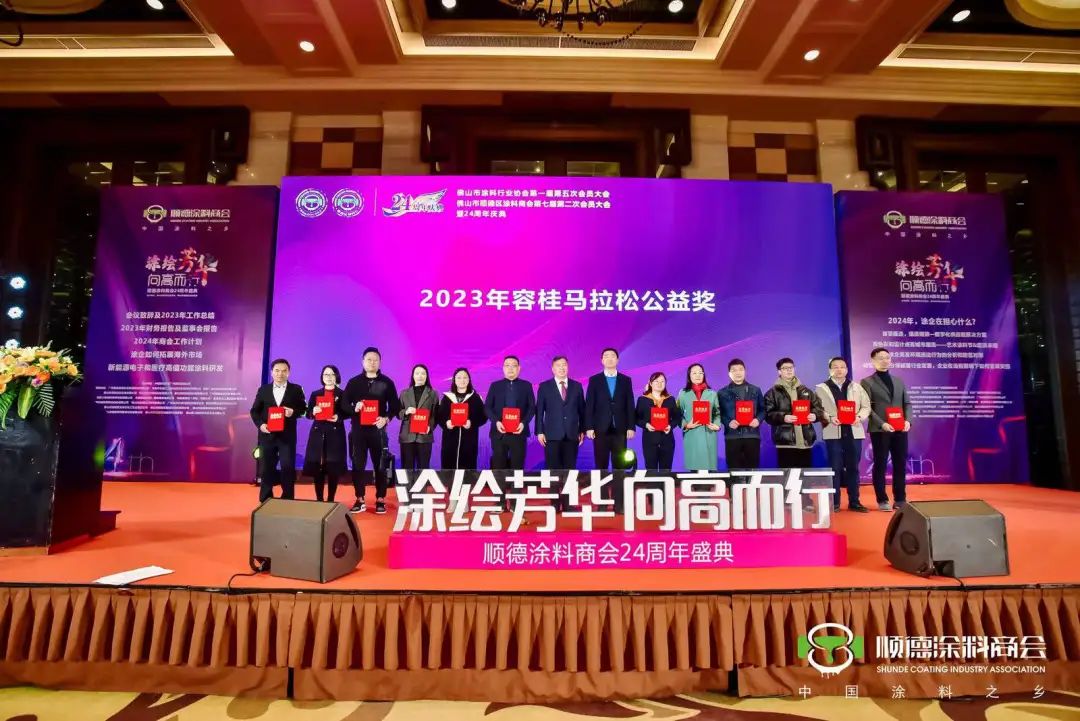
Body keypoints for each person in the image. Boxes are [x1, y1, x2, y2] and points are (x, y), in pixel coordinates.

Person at [343, 347, 401, 515]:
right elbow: (344, 404)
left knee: (380, 465)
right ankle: (360, 498)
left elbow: (395, 406)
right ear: (363, 362)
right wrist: (354, 407)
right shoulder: (353, 382)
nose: (372, 362)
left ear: (380, 362)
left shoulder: (387, 382)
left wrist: (386, 419)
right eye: (369, 359)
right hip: (358, 431)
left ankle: (380, 499)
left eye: (375, 360)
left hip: (378, 431)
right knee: (357, 465)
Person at [815, 357, 871, 513]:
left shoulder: (857, 387)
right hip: (833, 432)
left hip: (853, 431)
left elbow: (866, 406)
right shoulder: (821, 388)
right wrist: (829, 418)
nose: (839, 370)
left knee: (853, 468)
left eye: (842, 367)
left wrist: (859, 417)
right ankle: (834, 503)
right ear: (830, 370)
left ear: (846, 369)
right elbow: (817, 409)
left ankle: (854, 501)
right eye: (835, 367)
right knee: (835, 468)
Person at [861, 347, 913, 511]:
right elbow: (867, 408)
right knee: (880, 464)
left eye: (887, 358)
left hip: (900, 429)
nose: (885, 361)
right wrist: (882, 423)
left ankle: (900, 499)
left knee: (900, 463)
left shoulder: (898, 381)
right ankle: (882, 499)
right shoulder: (866, 382)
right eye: (881, 358)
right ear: (873, 361)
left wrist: (908, 421)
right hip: (880, 430)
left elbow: (907, 403)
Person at [249, 358, 307, 502]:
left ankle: (287, 499)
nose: (280, 374)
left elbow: (304, 410)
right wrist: (261, 425)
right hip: (267, 436)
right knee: (266, 468)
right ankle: (265, 499)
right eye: (277, 370)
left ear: (289, 372)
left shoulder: (296, 389)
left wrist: (293, 412)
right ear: (272, 372)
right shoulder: (263, 390)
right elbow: (254, 411)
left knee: (287, 467)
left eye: (284, 371)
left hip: (287, 437)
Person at [764, 357, 823, 469]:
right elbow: (768, 415)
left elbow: (819, 409)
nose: (789, 370)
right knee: (788, 476)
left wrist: (815, 415)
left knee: (804, 476)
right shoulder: (772, 393)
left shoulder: (805, 391)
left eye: (791, 367)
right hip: (785, 443)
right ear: (779, 371)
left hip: (805, 442)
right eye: (785, 368)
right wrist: (783, 417)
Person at [584, 347, 636, 472]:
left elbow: (630, 404)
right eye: (606, 356)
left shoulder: (626, 380)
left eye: (612, 356)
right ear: (602, 360)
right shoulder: (594, 380)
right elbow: (589, 405)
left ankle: (618, 486)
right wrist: (589, 427)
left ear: (617, 360)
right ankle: (602, 486)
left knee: (619, 465)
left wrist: (631, 427)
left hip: (620, 428)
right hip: (600, 428)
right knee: (601, 464)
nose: (609, 359)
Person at [302, 365, 348, 503]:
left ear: (336, 376)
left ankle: (331, 499)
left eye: (332, 374)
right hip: (318, 433)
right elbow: (308, 414)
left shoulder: (342, 394)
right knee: (318, 467)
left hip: (335, 433)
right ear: (322, 377)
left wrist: (338, 417)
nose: (328, 377)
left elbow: (348, 412)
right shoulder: (315, 394)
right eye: (326, 374)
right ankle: (319, 500)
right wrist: (313, 412)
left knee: (333, 467)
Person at [484, 355, 536, 471]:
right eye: (507, 365)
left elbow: (532, 407)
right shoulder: (495, 385)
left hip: (519, 431)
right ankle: (499, 484)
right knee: (498, 467)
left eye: (514, 366)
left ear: (519, 368)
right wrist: (496, 421)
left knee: (517, 467)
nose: (510, 368)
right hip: (499, 433)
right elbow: (487, 407)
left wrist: (523, 423)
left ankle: (515, 485)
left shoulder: (526, 385)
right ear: (503, 368)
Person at [535, 355, 585, 471]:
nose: (562, 368)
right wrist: (539, 432)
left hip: (572, 434)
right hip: (551, 435)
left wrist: (582, 430)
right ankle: (554, 484)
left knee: (570, 469)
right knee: (552, 469)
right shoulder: (544, 386)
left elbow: (582, 410)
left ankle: (568, 484)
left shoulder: (577, 386)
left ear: (568, 367)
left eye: (564, 365)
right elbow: (539, 410)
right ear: (553, 369)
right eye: (558, 365)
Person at [717, 358, 765, 471]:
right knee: (734, 471)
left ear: (745, 371)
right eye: (734, 370)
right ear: (729, 373)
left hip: (752, 435)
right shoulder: (722, 392)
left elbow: (763, 410)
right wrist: (728, 422)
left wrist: (758, 420)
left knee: (752, 471)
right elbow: (718, 413)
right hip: (732, 436)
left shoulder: (755, 390)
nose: (738, 372)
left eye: (740, 369)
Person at [437, 367, 488, 470]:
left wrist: (472, 423)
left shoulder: (476, 398)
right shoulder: (447, 398)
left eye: (465, 377)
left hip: (469, 440)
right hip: (450, 440)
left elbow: (483, 417)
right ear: (454, 380)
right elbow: (439, 416)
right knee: (449, 468)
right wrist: (446, 423)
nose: (462, 380)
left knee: (468, 468)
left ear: (469, 380)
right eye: (459, 377)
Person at [676, 363, 722, 471]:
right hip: (692, 434)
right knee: (694, 468)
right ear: (689, 375)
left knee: (709, 468)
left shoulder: (712, 393)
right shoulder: (683, 393)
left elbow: (717, 413)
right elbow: (677, 413)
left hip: (708, 433)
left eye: (701, 372)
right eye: (694, 373)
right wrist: (686, 425)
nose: (698, 375)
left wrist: (717, 425)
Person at [397, 364, 438, 473]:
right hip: (407, 436)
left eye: (423, 373)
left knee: (423, 468)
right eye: (417, 373)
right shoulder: (404, 393)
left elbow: (436, 415)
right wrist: (406, 411)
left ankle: (421, 485)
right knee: (407, 468)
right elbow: (398, 413)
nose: (420, 376)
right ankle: (408, 485)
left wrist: (430, 427)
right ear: (413, 376)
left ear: (427, 376)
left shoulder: (433, 394)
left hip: (424, 436)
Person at [635, 372, 681, 472]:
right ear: (650, 383)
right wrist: (646, 425)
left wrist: (670, 426)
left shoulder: (670, 399)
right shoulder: (642, 400)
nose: (659, 384)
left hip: (667, 440)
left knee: (666, 470)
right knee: (651, 471)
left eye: (662, 381)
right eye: (656, 381)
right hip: (649, 440)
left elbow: (677, 418)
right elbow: (636, 418)